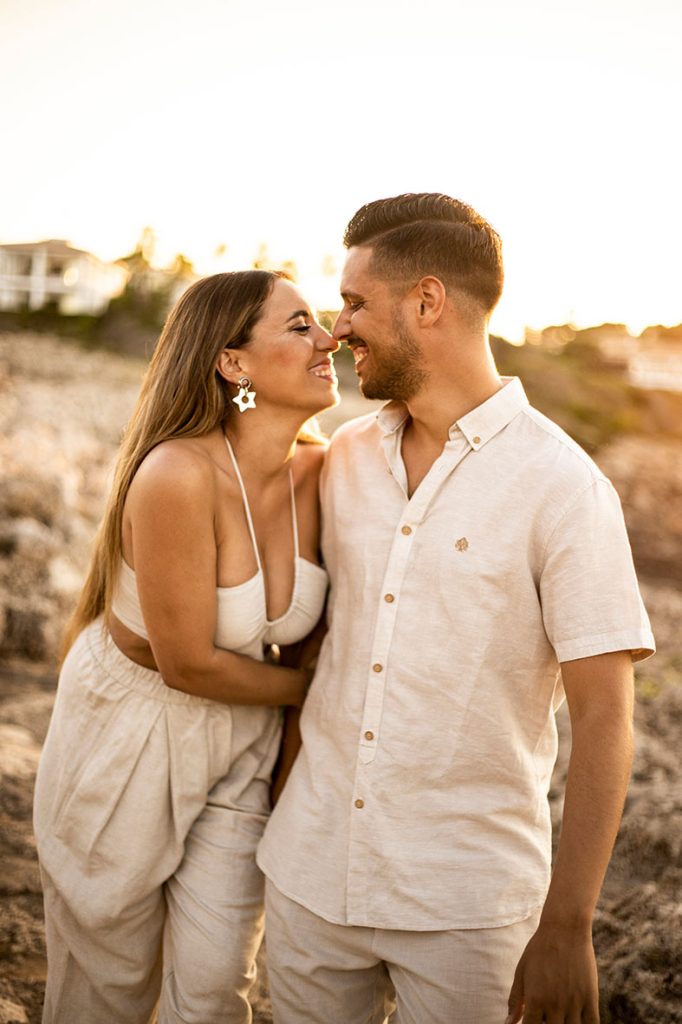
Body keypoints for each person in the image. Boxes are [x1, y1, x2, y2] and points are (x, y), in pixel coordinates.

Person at [257, 193, 655, 1024]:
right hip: (311, 870)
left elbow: (607, 717)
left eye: (357, 303)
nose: (338, 329)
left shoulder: (565, 488)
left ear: (427, 302)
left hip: (467, 906)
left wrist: (568, 925)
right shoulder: (344, 458)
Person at [33, 269, 338, 1024]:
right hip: (130, 730)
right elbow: (187, 663)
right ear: (233, 363)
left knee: (211, 989)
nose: (330, 339)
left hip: (243, 740)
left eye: (322, 321)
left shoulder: (325, 471)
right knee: (108, 982)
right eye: (300, 326)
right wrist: (319, 694)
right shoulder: (176, 474)